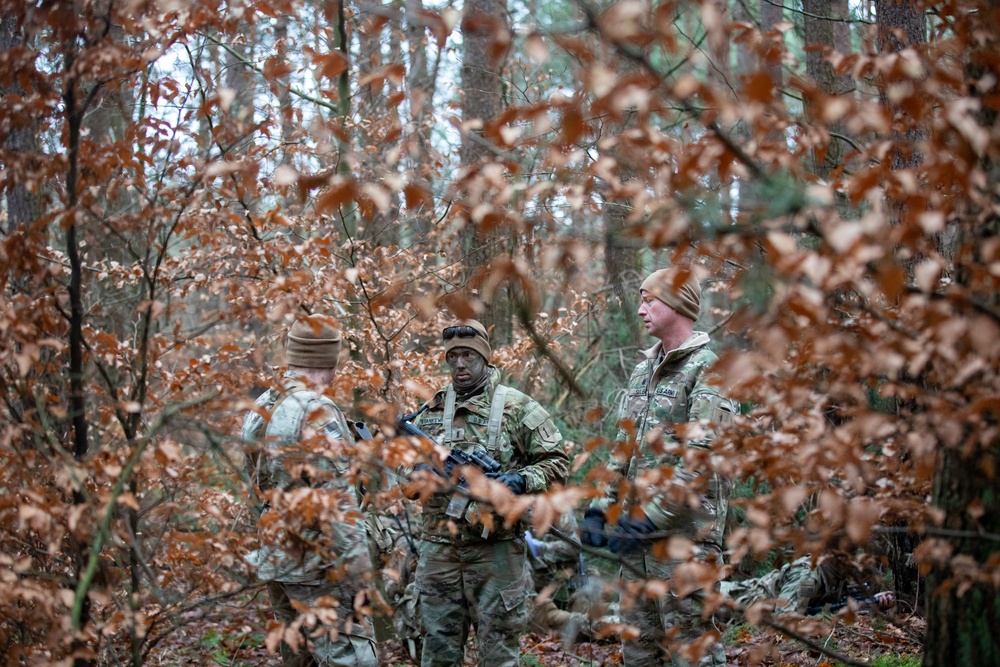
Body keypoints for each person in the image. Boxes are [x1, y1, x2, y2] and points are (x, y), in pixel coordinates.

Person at [581, 266, 738, 667]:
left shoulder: (709, 371)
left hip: (684, 549)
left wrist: (646, 519)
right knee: (638, 654)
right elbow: (623, 449)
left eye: (649, 300)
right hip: (637, 552)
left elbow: (700, 464)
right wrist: (601, 506)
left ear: (677, 303)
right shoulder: (642, 371)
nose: (640, 310)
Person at [404, 319, 570, 667]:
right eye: (453, 357)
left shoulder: (518, 407)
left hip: (496, 555)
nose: (460, 364)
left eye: (468, 355)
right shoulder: (429, 412)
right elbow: (406, 474)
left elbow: (557, 462)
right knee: (436, 653)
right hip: (439, 552)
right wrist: (419, 475)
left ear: (484, 358)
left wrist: (520, 481)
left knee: (498, 656)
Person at [242, 314, 378, 667]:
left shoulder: (264, 405)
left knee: (299, 658)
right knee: (352, 658)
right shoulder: (316, 409)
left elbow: (258, 487)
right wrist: (360, 572)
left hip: (279, 559)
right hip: (320, 567)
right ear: (327, 361)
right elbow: (337, 500)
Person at [720, 554, 895, 620]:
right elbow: (786, 619)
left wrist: (871, 603)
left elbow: (833, 604)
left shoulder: (834, 577)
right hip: (729, 599)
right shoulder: (808, 575)